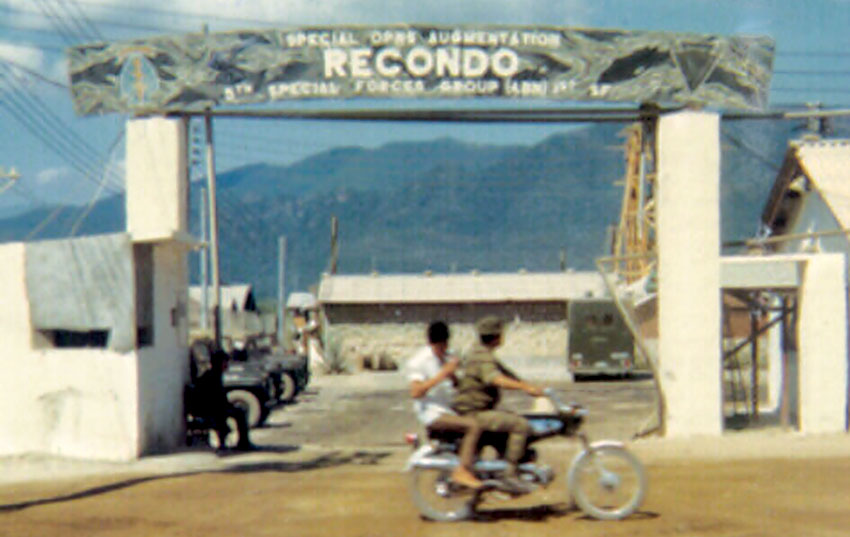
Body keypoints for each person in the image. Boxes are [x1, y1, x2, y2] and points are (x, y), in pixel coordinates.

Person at [453, 316, 544, 494]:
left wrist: (530, 386)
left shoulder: (479, 351)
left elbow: (506, 373)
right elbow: (494, 378)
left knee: (514, 417)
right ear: (496, 336)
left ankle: (511, 461)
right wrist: (525, 387)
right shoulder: (483, 356)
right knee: (521, 425)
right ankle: (509, 475)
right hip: (475, 413)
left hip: (477, 410)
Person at [406, 321, 483, 489]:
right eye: (439, 346)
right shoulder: (419, 362)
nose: (442, 349)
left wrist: (454, 375)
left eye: (445, 345)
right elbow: (416, 392)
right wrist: (444, 373)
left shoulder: (447, 357)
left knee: (482, 419)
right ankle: (462, 471)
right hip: (432, 414)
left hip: (448, 409)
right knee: (473, 426)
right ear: (431, 343)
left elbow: (455, 383)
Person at [194, 349, 256, 452]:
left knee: (239, 411)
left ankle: (243, 442)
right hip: (211, 409)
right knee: (236, 413)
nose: (227, 365)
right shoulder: (212, 377)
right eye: (225, 362)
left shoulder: (215, 375)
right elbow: (215, 399)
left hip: (215, 408)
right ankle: (241, 443)